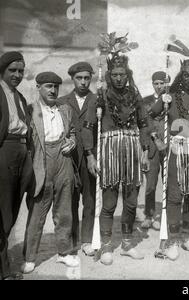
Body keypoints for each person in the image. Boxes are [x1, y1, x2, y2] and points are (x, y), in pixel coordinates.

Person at [81, 43, 152, 266]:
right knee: (109, 203)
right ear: (109, 75)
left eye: (122, 74)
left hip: (132, 151)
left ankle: (128, 243)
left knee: (131, 203)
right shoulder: (99, 96)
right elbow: (88, 127)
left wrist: (144, 151)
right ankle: (106, 244)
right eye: (115, 74)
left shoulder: (135, 95)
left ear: (127, 74)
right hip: (109, 152)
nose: (119, 78)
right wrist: (91, 155)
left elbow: (143, 124)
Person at [151, 34, 189, 260]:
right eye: (185, 75)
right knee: (175, 195)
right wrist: (157, 138)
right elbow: (148, 117)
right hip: (176, 151)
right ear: (180, 75)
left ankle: (185, 235)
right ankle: (173, 239)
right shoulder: (170, 96)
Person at [22, 72, 79, 274]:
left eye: (56, 86)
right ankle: (29, 257)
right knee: (37, 212)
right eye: (48, 86)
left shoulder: (65, 109)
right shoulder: (30, 110)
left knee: (64, 212)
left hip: (63, 160)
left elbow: (72, 131)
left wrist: (72, 141)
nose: (53, 90)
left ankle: (64, 253)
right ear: (38, 87)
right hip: (41, 159)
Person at [57, 62, 97, 256]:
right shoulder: (62, 101)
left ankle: (87, 240)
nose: (83, 82)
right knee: (70, 200)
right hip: (70, 158)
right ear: (72, 79)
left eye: (86, 78)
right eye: (79, 78)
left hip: (91, 157)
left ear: (91, 78)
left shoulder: (98, 100)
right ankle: (72, 241)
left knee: (89, 200)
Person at [0, 51, 33, 280]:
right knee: (2, 213)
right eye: (12, 70)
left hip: (22, 153)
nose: (17, 75)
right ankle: (4, 269)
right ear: (2, 70)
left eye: (21, 71)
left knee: (11, 211)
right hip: (4, 151)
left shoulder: (20, 97)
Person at [141, 71, 171, 231]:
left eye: (162, 83)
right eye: (156, 83)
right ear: (153, 84)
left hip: (169, 145)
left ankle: (166, 214)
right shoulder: (146, 101)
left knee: (168, 182)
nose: (159, 86)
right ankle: (149, 215)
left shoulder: (170, 99)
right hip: (153, 146)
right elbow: (145, 122)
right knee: (151, 184)